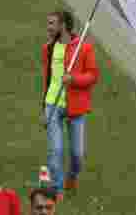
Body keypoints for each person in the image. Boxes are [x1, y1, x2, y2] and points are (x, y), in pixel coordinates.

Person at [42, 10, 99, 197]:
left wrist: (73, 79)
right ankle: (57, 189)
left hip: (76, 107)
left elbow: (93, 76)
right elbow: (47, 79)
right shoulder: (48, 48)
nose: (48, 27)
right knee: (56, 150)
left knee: (77, 155)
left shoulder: (84, 48)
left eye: (52, 23)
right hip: (53, 103)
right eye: (48, 23)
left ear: (63, 26)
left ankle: (72, 176)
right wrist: (44, 108)